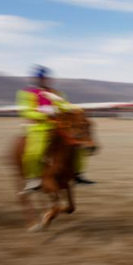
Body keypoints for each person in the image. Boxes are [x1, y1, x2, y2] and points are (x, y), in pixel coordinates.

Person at [16, 65, 95, 195]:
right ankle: (33, 179)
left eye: (45, 78)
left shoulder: (56, 93)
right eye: (41, 78)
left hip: (59, 126)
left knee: (78, 145)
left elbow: (64, 105)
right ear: (35, 79)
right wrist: (44, 114)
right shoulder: (26, 93)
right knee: (34, 152)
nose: (44, 80)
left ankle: (77, 175)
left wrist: (74, 109)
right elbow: (26, 111)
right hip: (39, 128)